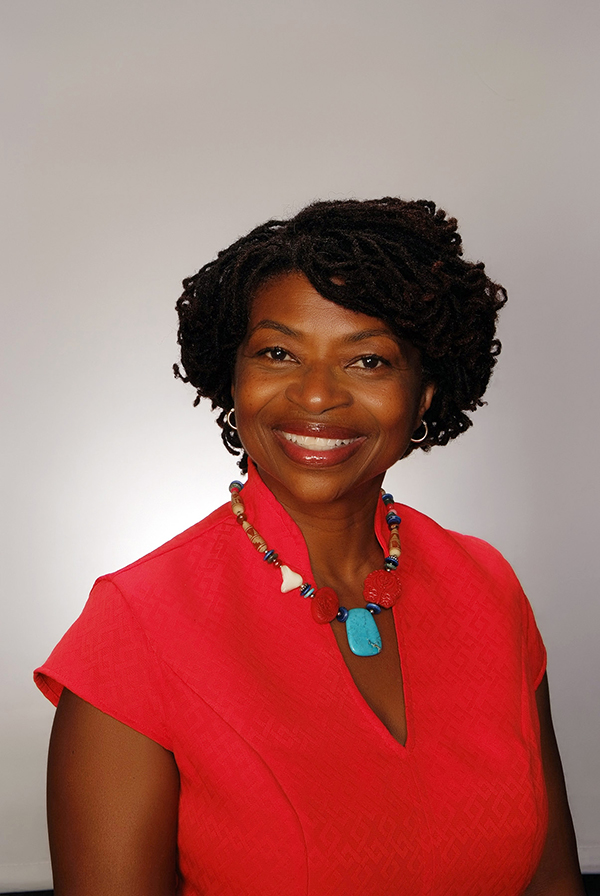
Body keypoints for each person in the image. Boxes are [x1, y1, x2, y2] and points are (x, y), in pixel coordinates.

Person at [36, 198, 584, 895]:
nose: (317, 395)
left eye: (368, 360)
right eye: (278, 353)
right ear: (234, 377)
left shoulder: (488, 587)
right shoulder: (135, 627)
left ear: (423, 394)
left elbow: (551, 882)